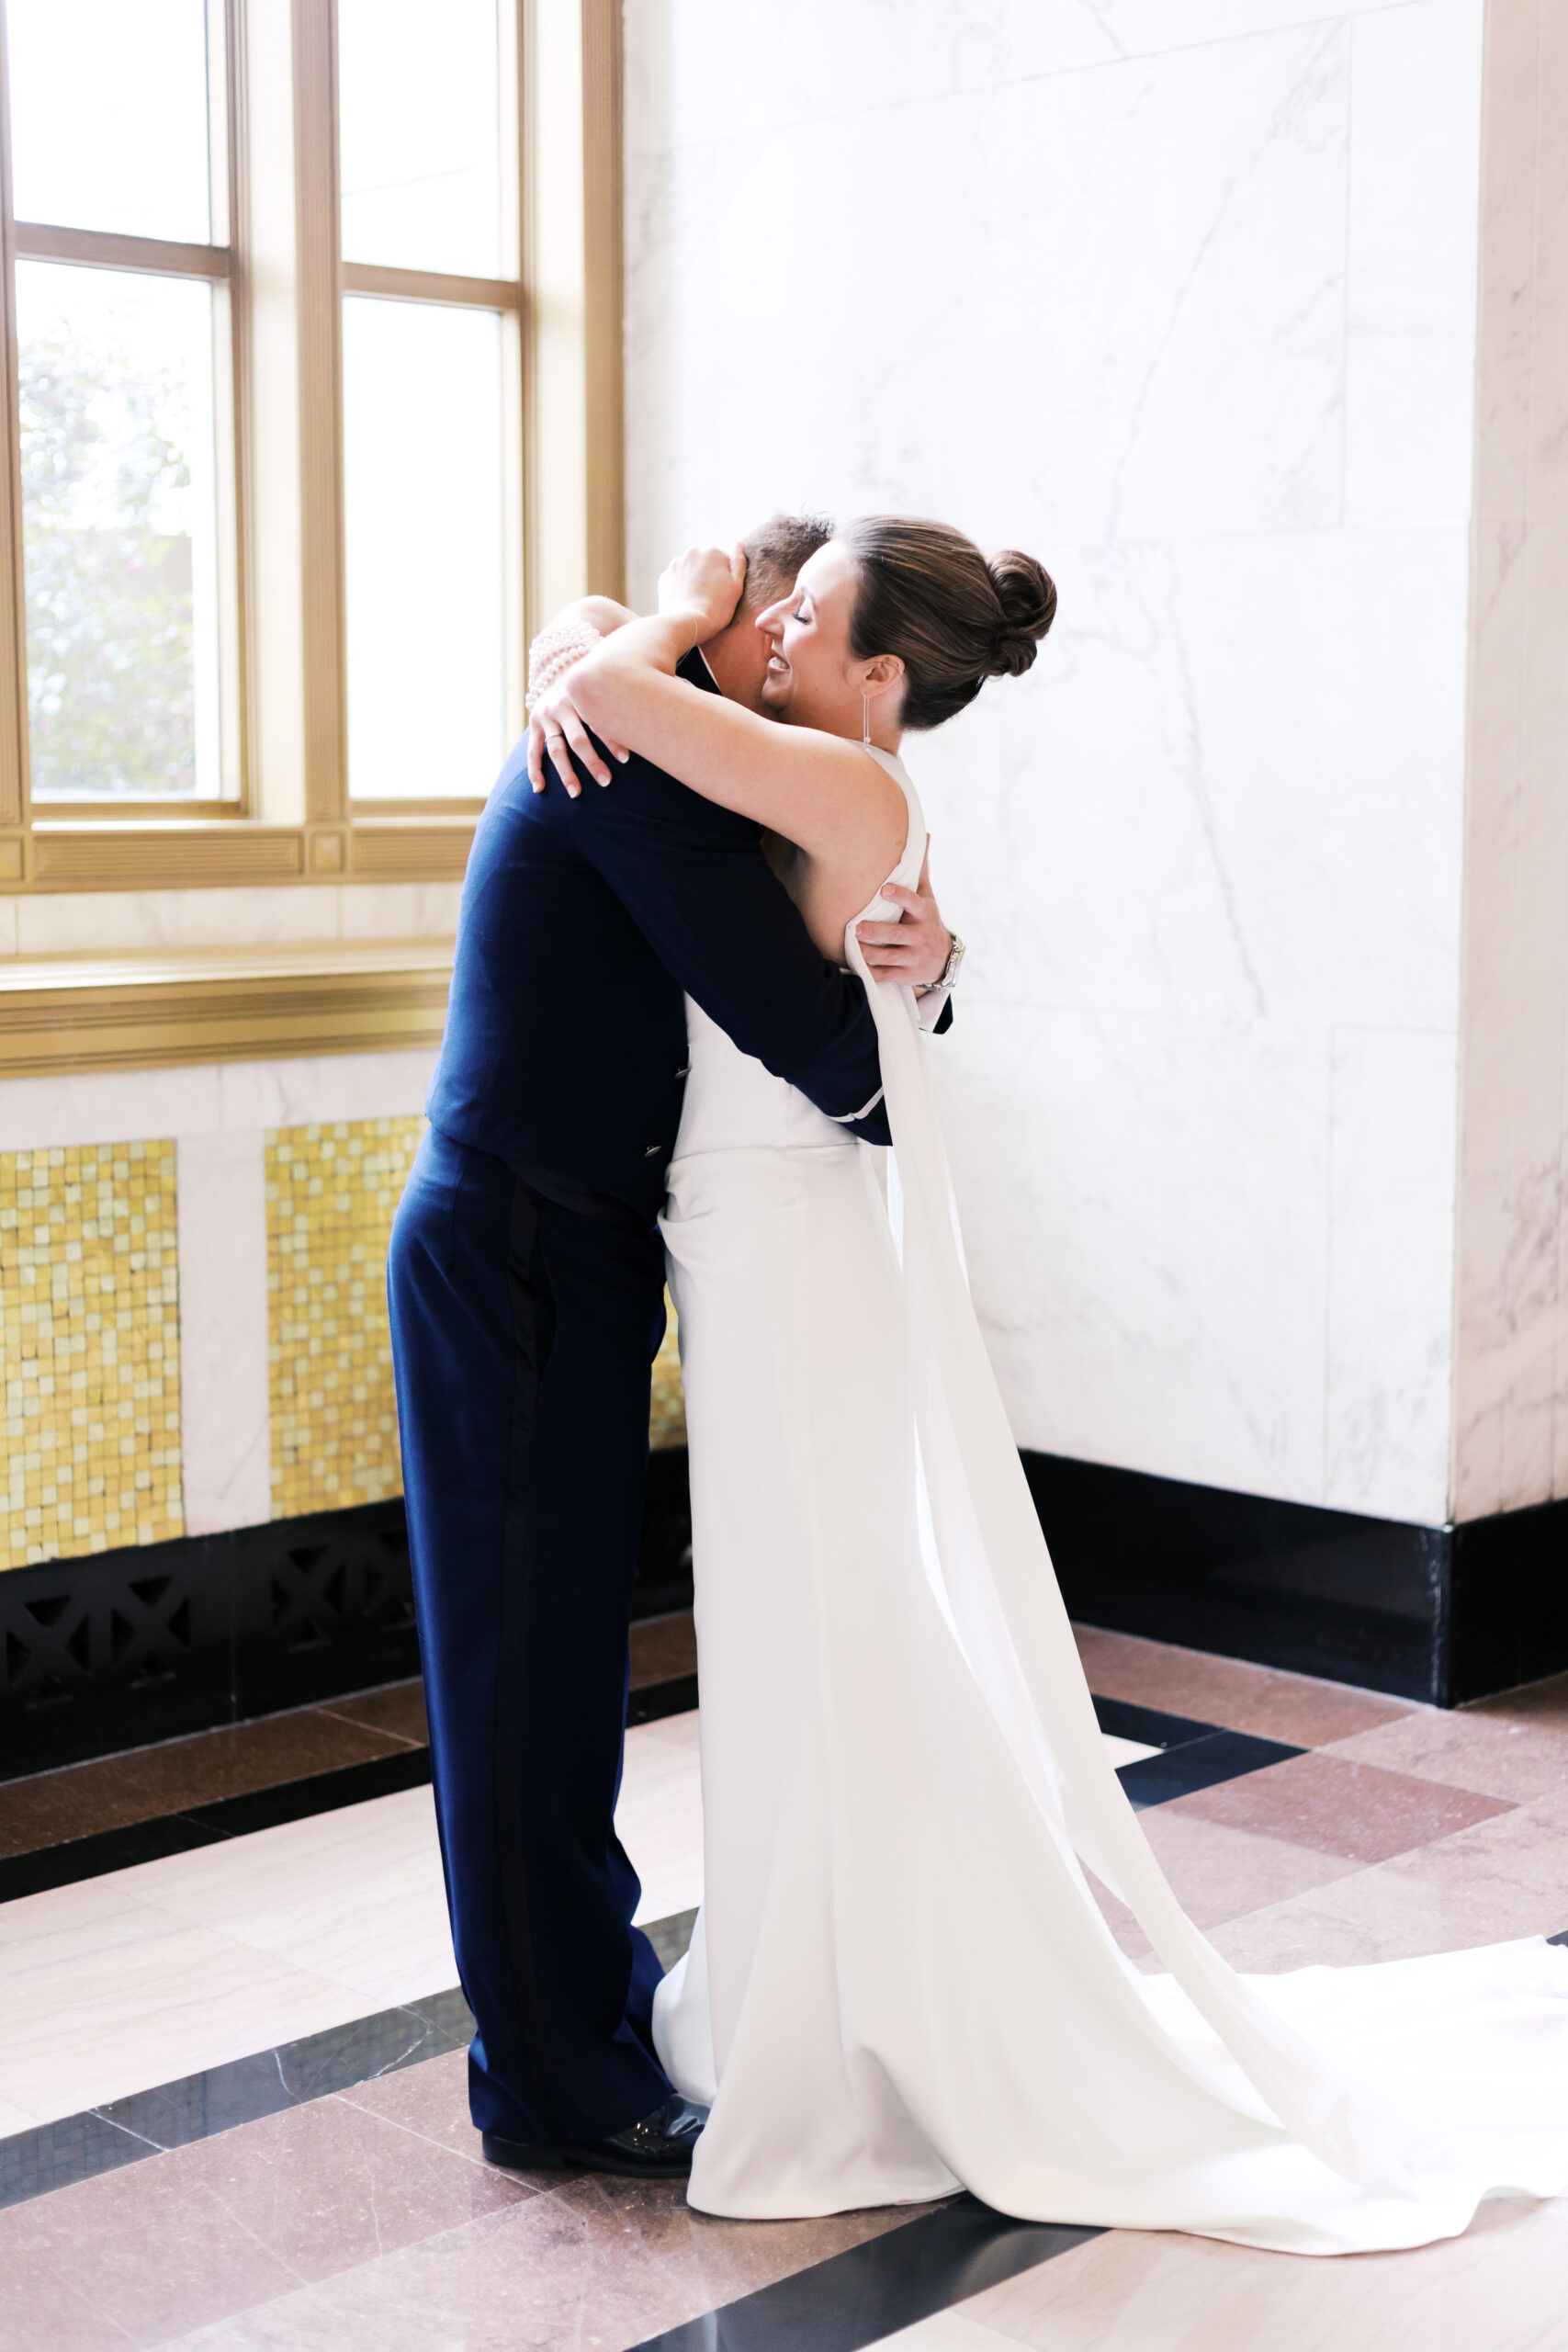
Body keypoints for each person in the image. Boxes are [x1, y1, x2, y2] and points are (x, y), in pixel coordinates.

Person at [527, 516, 1568, 2253]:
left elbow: (607, 696)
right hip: (748, 1249)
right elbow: (589, 670)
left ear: (879, 673)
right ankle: (818, 1985)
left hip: (790, 1261)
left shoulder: (846, 790)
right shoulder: (811, 780)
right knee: (799, 1632)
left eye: (807, 611)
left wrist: (678, 611)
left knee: (827, 1625)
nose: (772, 624)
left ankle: (875, 2022)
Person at [386, 515, 958, 2182]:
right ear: (740, 613)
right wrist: (896, 1013)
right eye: (776, 627)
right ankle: (552, 2087)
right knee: (524, 1686)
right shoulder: (628, 750)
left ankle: (586, 2010)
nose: (781, 663)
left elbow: (814, 952)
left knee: (564, 1670)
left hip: (570, 1248)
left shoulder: (658, 732)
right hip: (514, 1247)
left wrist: (931, 961)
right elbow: (813, 1038)